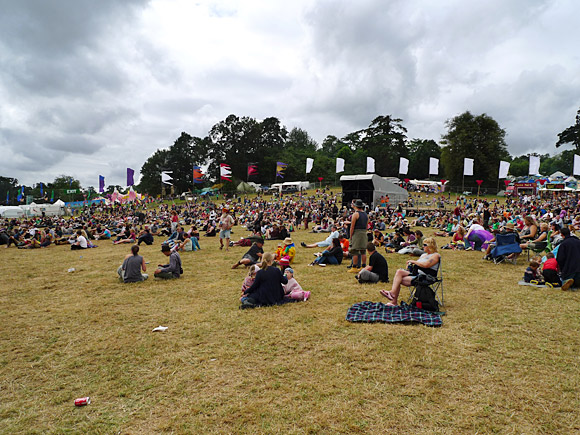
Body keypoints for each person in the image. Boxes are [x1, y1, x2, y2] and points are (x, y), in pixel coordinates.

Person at [380, 237, 440, 305]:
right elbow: (417, 265)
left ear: (430, 246)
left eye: (425, 245)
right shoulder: (423, 255)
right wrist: (410, 265)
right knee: (399, 271)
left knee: (399, 279)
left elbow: (426, 265)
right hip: (416, 273)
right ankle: (392, 293)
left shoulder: (436, 255)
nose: (423, 246)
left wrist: (413, 261)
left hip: (426, 277)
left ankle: (393, 300)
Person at [557, 227, 580, 291]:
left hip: (569, 269)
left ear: (561, 234)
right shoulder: (578, 241)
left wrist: (561, 269)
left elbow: (560, 258)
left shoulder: (564, 244)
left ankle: (567, 281)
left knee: (567, 278)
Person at [348, 199, 368, 272]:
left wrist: (351, 235)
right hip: (363, 233)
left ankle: (354, 267)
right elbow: (366, 226)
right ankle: (363, 266)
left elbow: (352, 226)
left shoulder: (355, 214)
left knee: (355, 250)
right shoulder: (365, 214)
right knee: (363, 251)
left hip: (357, 233)